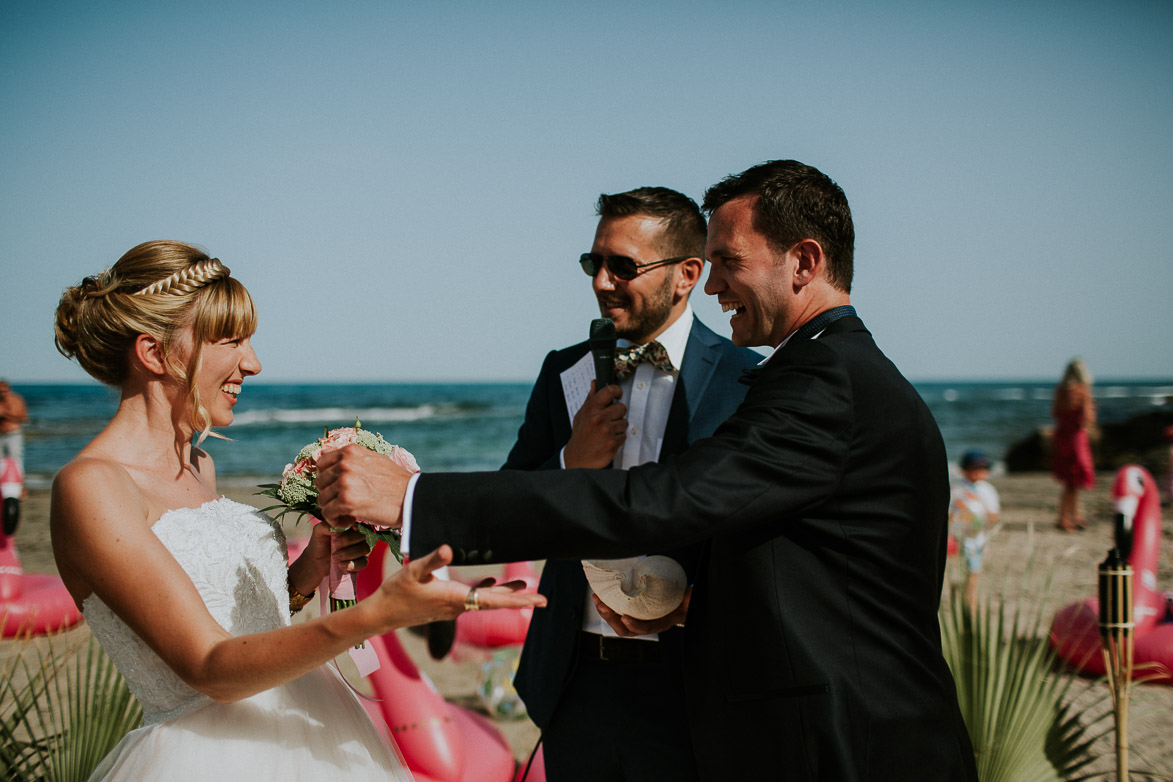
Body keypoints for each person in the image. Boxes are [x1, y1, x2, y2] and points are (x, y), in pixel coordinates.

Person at [316, 160, 978, 781]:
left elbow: (667, 500)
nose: (718, 285)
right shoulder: (827, 368)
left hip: (835, 735)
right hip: (583, 684)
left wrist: (415, 498)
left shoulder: (816, 379)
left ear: (803, 260)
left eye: (728, 263)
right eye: (591, 263)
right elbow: (795, 553)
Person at [50, 240, 543, 781]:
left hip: (316, 730)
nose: (253, 363)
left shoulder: (200, 464)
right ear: (155, 353)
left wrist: (308, 570)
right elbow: (210, 668)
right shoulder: (92, 488)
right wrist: (379, 614)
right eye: (231, 339)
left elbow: (239, 624)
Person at [504, 186, 759, 781]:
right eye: (596, 263)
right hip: (572, 680)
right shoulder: (561, 370)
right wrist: (572, 459)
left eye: (624, 267)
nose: (601, 281)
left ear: (687, 274)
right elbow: (510, 505)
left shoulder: (748, 380)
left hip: (693, 685)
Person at [949, 450, 1001, 609]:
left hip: (976, 538)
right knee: (956, 571)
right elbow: (949, 511)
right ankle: (959, 599)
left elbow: (993, 515)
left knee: (973, 572)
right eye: (975, 468)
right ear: (964, 470)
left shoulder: (987, 490)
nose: (980, 472)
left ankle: (970, 603)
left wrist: (983, 517)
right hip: (957, 536)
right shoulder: (956, 488)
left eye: (983, 469)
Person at [1051, 358, 1095, 530]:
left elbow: (1055, 413)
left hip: (1062, 435)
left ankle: (1073, 515)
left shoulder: (1060, 391)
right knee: (1074, 480)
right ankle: (1066, 517)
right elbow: (1089, 417)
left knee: (1070, 480)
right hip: (1076, 437)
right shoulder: (1083, 391)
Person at [0, 380, 29, 474]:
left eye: (4, 391)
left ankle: (20, 486)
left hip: (13, 435)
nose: (2, 393)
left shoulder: (16, 400)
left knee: (16, 462)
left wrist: (5, 414)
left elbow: (23, 418)